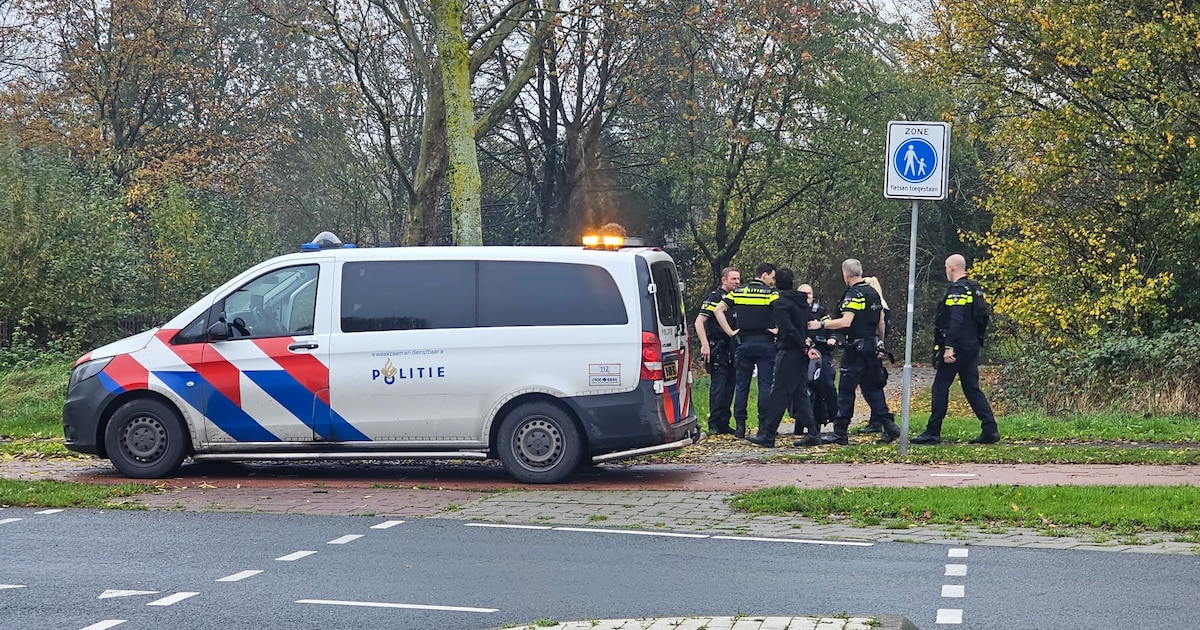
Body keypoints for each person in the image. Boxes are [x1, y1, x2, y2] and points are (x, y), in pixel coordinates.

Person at [807, 259, 900, 445]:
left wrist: (821, 324)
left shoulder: (854, 295)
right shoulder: (873, 293)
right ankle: (889, 425)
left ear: (845, 275)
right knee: (872, 389)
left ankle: (840, 432)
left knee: (846, 391)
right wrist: (880, 343)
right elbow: (881, 322)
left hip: (856, 349)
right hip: (871, 347)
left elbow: (846, 321)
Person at [912, 254, 1000, 445]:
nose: (946, 271)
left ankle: (932, 432)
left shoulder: (958, 291)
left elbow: (956, 320)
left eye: (946, 267)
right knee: (971, 388)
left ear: (952, 267)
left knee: (940, 387)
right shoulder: (974, 288)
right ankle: (990, 429)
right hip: (971, 345)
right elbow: (982, 319)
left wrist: (949, 347)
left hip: (957, 347)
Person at [746, 269, 821, 448]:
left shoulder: (781, 303)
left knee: (779, 392)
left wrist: (802, 345)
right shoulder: (802, 301)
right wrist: (806, 345)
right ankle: (813, 432)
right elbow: (805, 325)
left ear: (777, 283)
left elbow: (787, 327)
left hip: (789, 350)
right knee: (799, 392)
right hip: (801, 352)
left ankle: (768, 434)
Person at [714, 263, 777, 438]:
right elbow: (782, 311)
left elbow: (718, 310)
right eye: (772, 277)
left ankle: (740, 426)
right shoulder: (770, 294)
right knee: (765, 385)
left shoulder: (739, 292)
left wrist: (730, 332)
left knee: (742, 385)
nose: (773, 281)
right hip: (765, 344)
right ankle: (763, 426)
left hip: (744, 343)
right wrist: (777, 329)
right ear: (764, 275)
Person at [695, 267, 742, 435]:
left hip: (733, 347)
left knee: (730, 385)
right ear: (724, 280)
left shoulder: (736, 298)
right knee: (719, 386)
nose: (737, 282)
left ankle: (724, 422)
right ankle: (714, 424)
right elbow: (699, 322)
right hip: (718, 347)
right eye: (734, 279)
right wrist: (704, 344)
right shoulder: (715, 297)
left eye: (738, 279)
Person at [798, 283, 838, 439]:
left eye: (809, 294)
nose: (806, 297)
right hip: (800, 353)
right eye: (803, 294)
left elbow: (831, 328)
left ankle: (835, 415)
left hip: (821, 352)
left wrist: (832, 339)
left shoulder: (820, 311)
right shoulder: (793, 312)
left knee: (827, 382)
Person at [857, 276, 892, 434]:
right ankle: (878, 420)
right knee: (874, 384)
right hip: (876, 346)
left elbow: (881, 326)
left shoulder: (874, 307)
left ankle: (878, 420)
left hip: (870, 346)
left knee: (870, 386)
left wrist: (878, 344)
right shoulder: (883, 306)